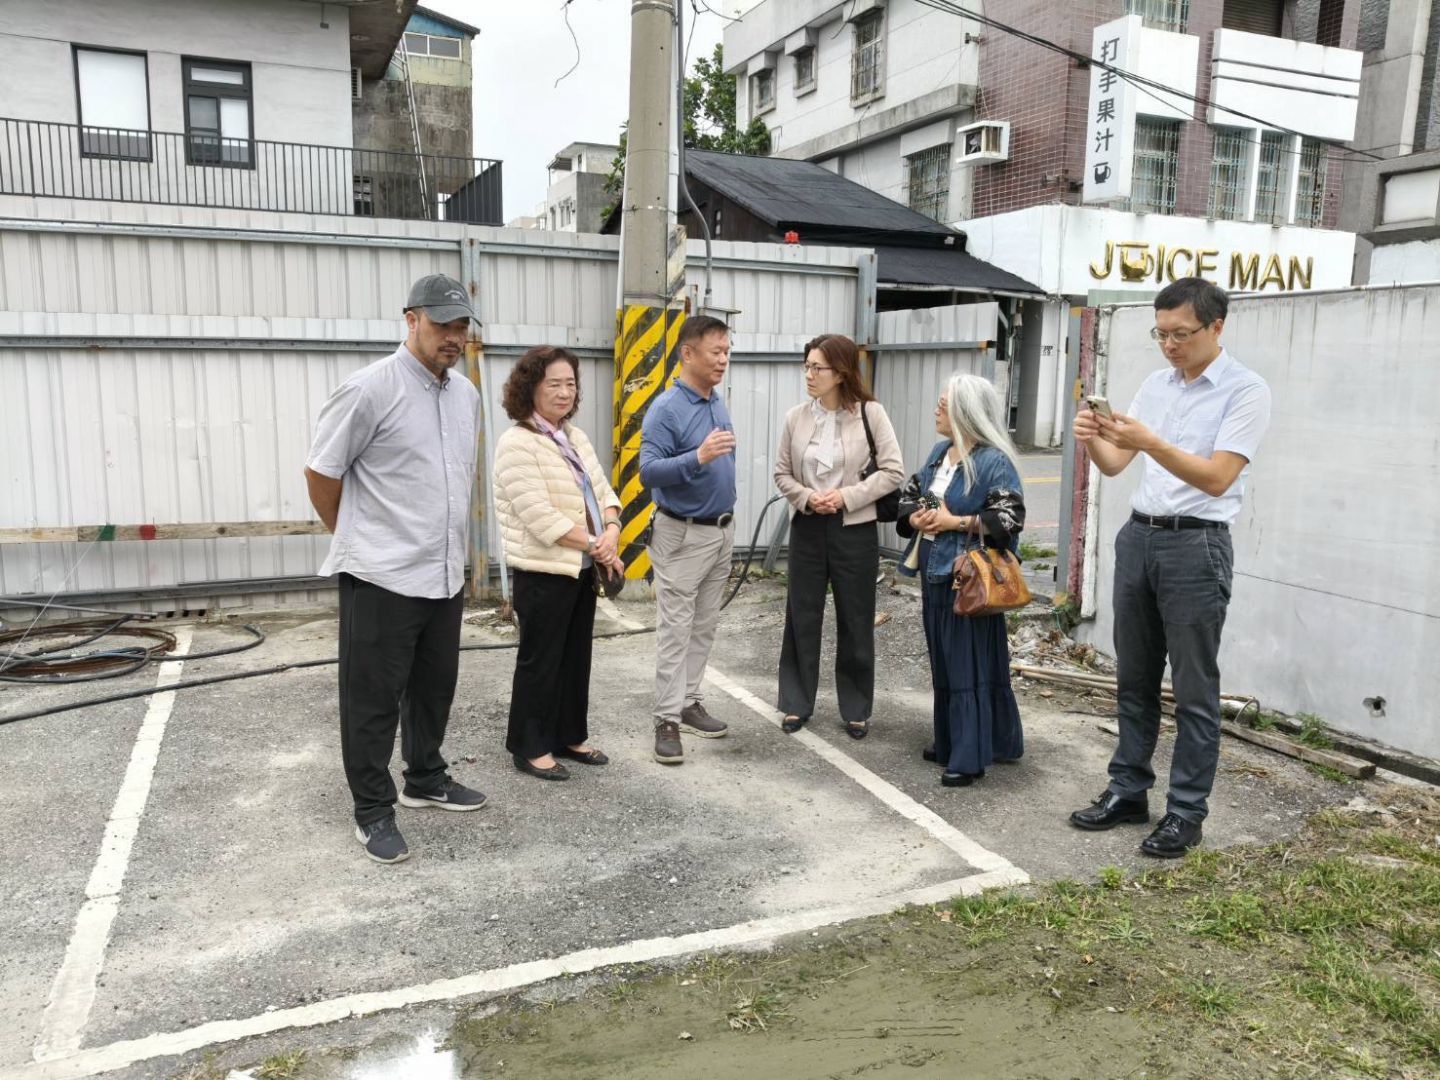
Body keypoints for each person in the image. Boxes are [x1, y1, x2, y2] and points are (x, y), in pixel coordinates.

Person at [1068, 277, 1270, 858]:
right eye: (1160, 335)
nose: (1170, 346)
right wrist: (1092, 438)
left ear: (1216, 327)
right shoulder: (1155, 385)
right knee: (1133, 677)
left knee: (1193, 687)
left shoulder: (1245, 390)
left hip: (1196, 544)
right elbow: (1115, 464)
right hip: (1140, 536)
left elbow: (1218, 478)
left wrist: (1151, 442)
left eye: (1181, 334)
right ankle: (1128, 789)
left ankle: (1185, 811)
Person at [304, 273, 489, 866]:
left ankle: (425, 778)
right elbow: (321, 472)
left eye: (461, 326)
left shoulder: (466, 396)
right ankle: (372, 810)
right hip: (382, 576)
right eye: (441, 325)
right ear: (411, 321)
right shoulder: (369, 390)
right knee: (373, 700)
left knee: (434, 688)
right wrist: (358, 537)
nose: (453, 336)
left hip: (442, 573)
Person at [494, 346, 624, 781]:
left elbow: (603, 491)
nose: (565, 392)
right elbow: (539, 516)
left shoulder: (574, 436)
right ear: (530, 387)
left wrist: (612, 528)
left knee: (575, 657)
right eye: (555, 383)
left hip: (581, 567)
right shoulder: (516, 443)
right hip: (542, 571)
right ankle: (530, 746)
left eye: (571, 383)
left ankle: (569, 735)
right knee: (541, 660)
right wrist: (597, 544)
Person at [896, 374, 1026, 788]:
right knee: (945, 660)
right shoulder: (941, 453)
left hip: (968, 577)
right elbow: (914, 495)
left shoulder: (993, 461)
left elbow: (1008, 518)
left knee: (966, 663)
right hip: (934, 570)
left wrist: (956, 522)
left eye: (943, 403)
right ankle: (953, 740)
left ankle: (969, 758)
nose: (937, 409)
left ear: (964, 412)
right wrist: (919, 516)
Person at [773, 333, 903, 738]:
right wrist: (809, 498)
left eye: (818, 368)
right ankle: (796, 703)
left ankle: (856, 708)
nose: (809, 374)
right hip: (808, 525)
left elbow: (893, 471)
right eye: (807, 366)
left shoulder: (871, 414)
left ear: (842, 372)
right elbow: (781, 474)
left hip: (855, 528)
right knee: (802, 615)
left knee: (856, 617)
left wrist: (846, 497)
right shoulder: (796, 417)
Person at [639, 315, 736, 765]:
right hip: (682, 534)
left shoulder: (715, 401)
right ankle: (666, 719)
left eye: (726, 351)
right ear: (687, 353)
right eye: (716, 351)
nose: (723, 359)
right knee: (676, 630)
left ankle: (689, 700)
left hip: (720, 531)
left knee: (704, 624)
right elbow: (648, 472)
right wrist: (697, 457)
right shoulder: (666, 409)